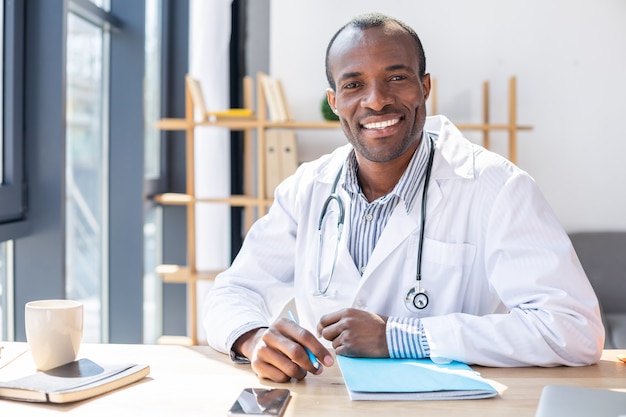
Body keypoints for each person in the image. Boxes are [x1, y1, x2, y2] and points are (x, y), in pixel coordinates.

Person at [203, 12, 604, 383]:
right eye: (353, 84)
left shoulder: (496, 187)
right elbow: (233, 292)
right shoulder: (307, 188)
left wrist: (401, 336)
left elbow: (573, 330)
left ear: (424, 86)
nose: (376, 100)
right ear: (334, 102)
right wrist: (253, 339)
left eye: (396, 78)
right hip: (330, 403)